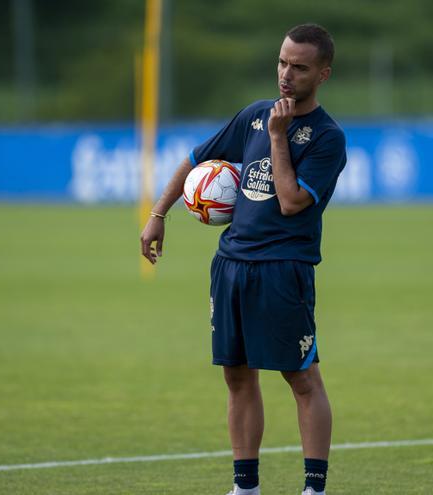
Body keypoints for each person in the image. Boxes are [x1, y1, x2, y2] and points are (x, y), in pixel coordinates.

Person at [140, 23, 346, 495]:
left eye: (299, 67)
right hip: (231, 266)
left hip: (282, 270)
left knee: (301, 378)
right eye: (281, 62)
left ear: (323, 73)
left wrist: (279, 136)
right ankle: (245, 487)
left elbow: (292, 201)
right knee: (236, 376)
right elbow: (194, 159)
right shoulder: (254, 115)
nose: (286, 75)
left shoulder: (326, 138)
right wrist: (158, 214)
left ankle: (314, 489)